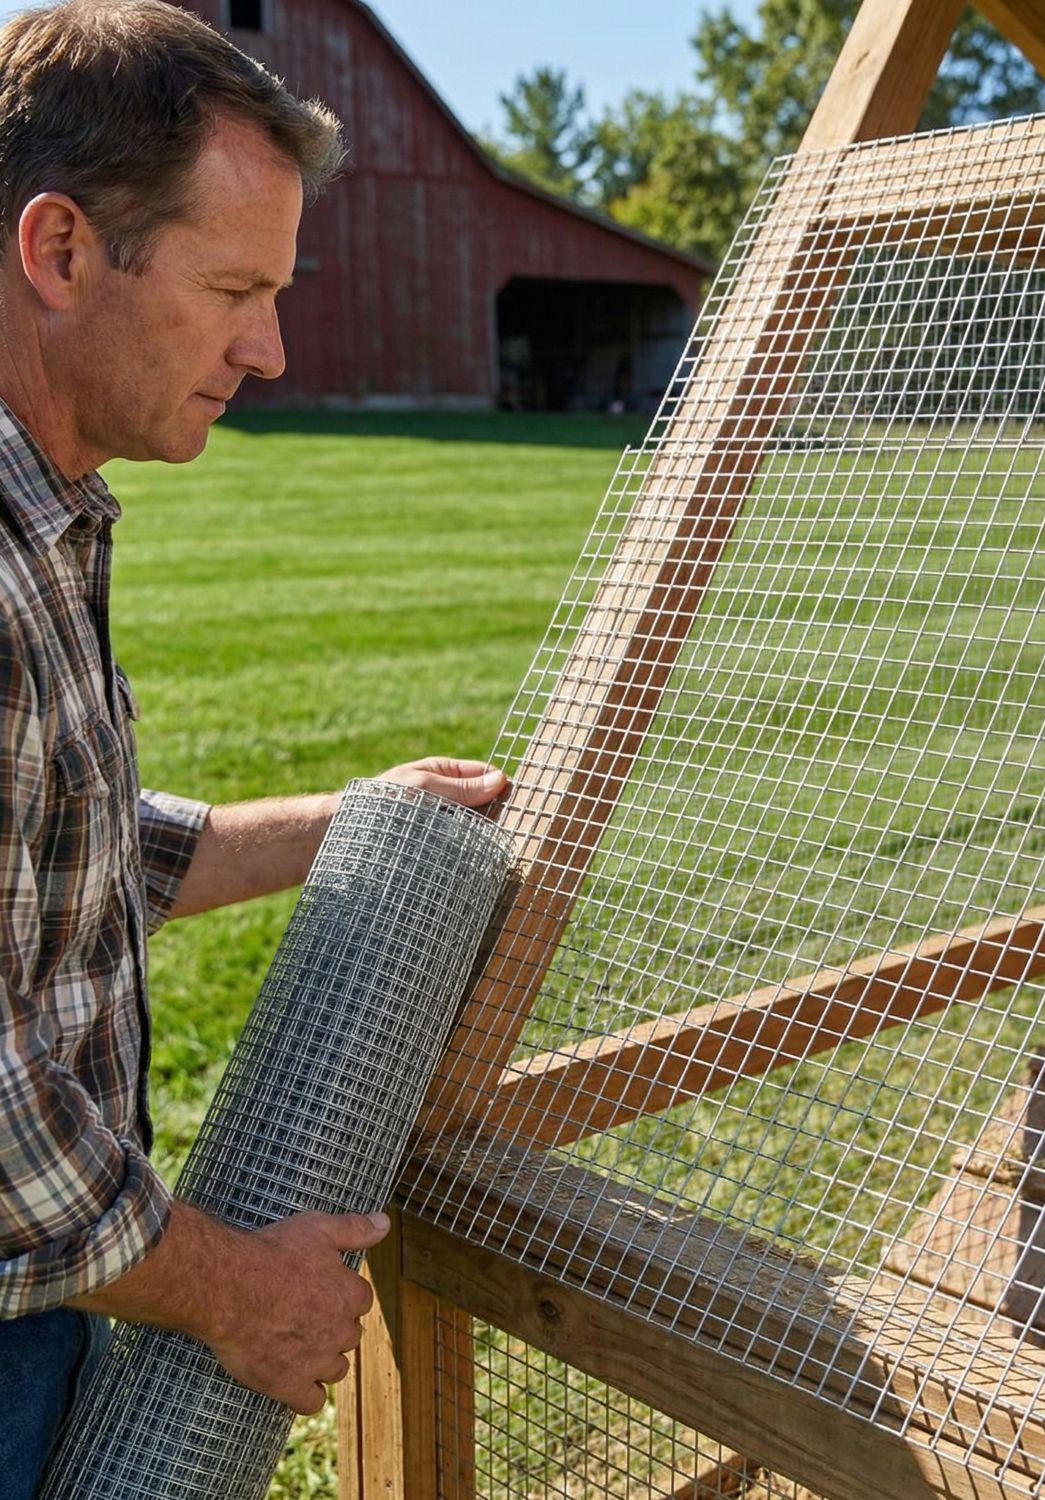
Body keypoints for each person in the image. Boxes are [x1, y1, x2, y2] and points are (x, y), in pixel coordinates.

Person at [0, 3, 509, 1493]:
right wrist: (237, 1291)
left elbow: (63, 854)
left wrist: (352, 819)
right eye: (235, 287)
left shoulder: (43, 512)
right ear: (60, 251)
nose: (271, 348)